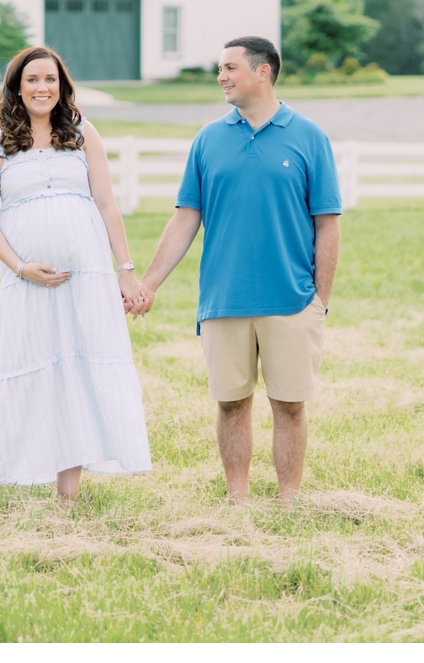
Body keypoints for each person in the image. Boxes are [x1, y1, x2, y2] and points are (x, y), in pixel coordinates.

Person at [140, 36, 341, 507]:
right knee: (230, 404)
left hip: (292, 300)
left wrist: (319, 301)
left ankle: (289, 500)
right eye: (220, 69)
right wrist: (148, 283)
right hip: (224, 299)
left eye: (230, 68)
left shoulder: (309, 137)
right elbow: (185, 218)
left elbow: (327, 226)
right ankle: (238, 502)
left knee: (290, 406)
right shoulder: (209, 140)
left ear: (263, 72)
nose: (221, 77)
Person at [0, 46, 153, 501]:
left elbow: (107, 205)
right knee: (13, 371)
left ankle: (66, 499)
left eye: (50, 79)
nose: (42, 88)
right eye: (32, 80)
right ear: (16, 87)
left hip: (85, 277)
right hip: (24, 281)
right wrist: (20, 266)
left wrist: (125, 272)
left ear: (62, 86)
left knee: (75, 369)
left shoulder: (84, 134)